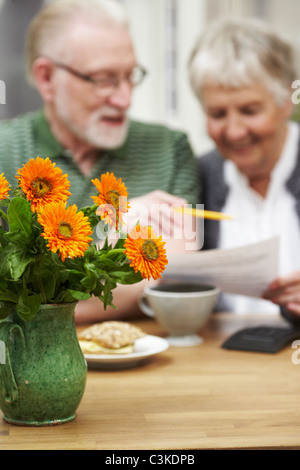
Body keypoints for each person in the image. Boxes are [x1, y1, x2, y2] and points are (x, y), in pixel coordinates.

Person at [0, 0, 198, 323]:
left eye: (130, 76)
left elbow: (168, 283)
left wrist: (42, 295)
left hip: (153, 365)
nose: (124, 99)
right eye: (104, 79)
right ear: (47, 78)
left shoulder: (170, 150)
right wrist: (115, 228)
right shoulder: (4, 151)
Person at [188, 17, 300, 323]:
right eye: (218, 113)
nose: (235, 132)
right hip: (225, 362)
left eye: (250, 111)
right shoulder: (199, 178)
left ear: (285, 102)